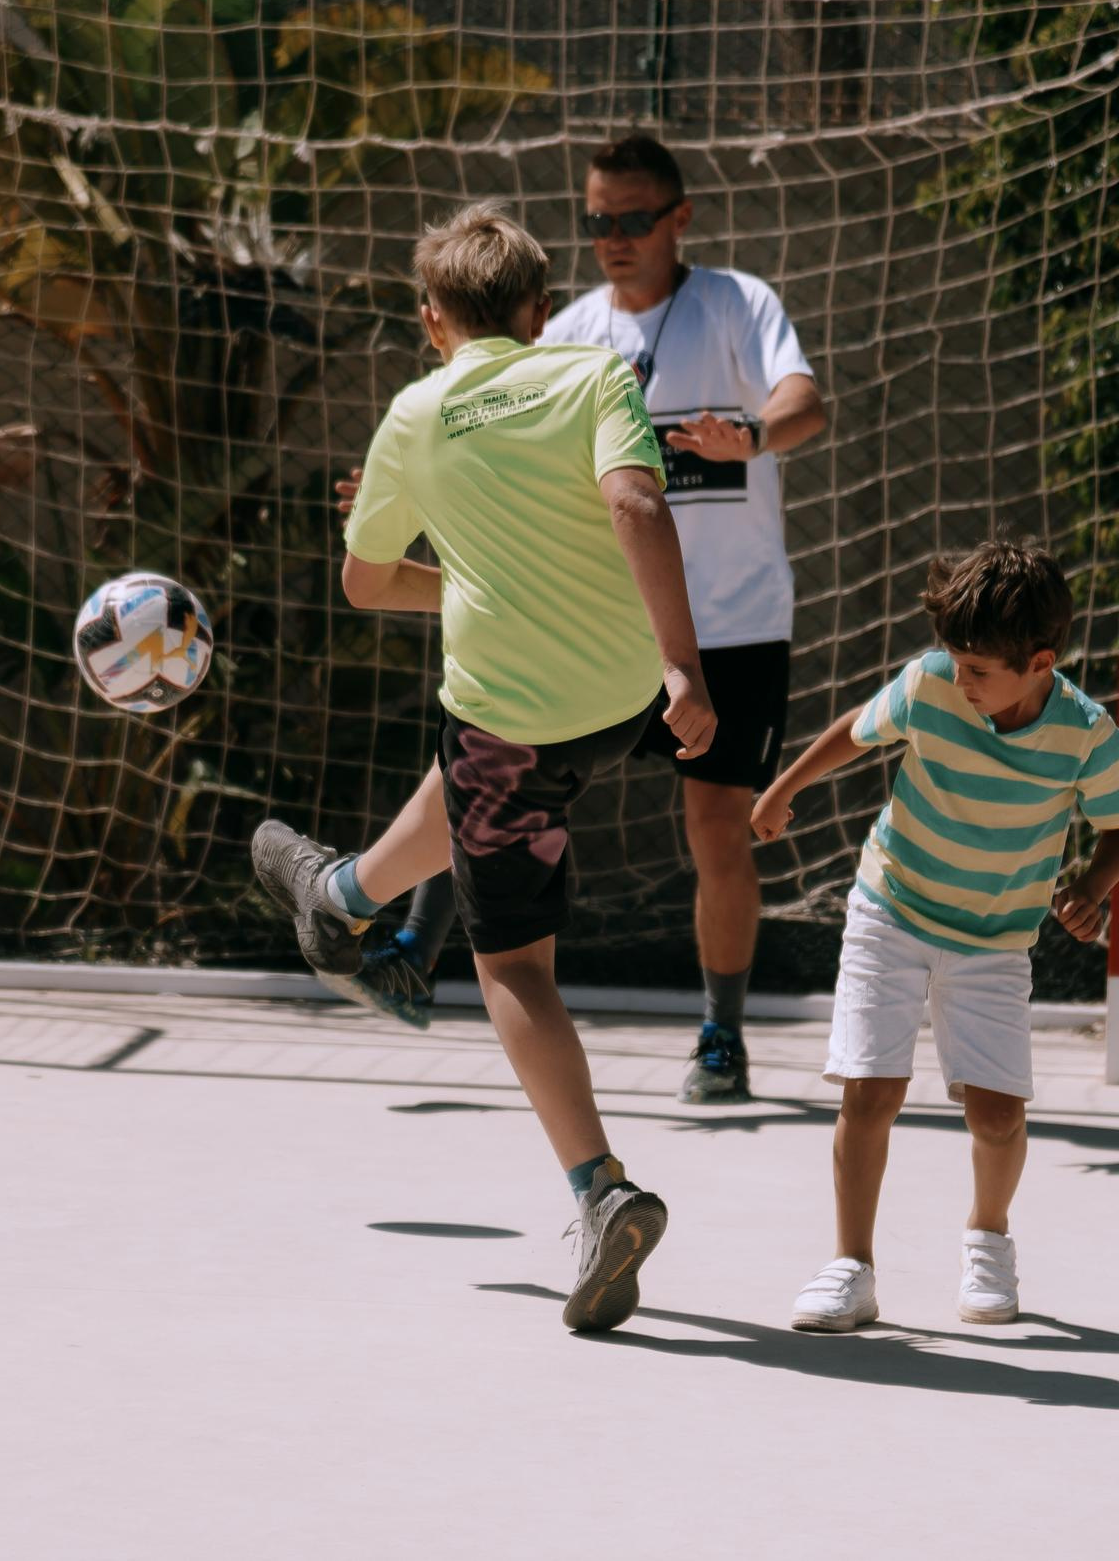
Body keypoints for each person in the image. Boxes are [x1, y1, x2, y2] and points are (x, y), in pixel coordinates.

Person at [250, 201, 717, 1333]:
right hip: (619, 701)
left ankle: (601, 1192)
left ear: (430, 322)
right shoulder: (593, 373)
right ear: (537, 309)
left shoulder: (412, 415)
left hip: (509, 720)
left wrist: (445, 568)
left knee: (514, 969)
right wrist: (682, 669)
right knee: (470, 774)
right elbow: (633, 501)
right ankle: (346, 896)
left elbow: (365, 585)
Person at [353, 134, 829, 1104]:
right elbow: (483, 436)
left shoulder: (737, 304)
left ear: (678, 218)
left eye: (631, 219)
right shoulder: (566, 331)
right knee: (482, 760)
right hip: (598, 623)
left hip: (722, 626)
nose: (612, 238)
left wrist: (753, 437)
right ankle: (412, 941)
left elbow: (804, 403)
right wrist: (409, 485)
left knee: (714, 827)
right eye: (595, 221)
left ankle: (720, 1033)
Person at [750, 540, 1119, 1331]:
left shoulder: (1088, 736)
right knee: (870, 1094)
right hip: (891, 907)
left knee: (997, 1116)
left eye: (979, 671)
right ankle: (851, 1266)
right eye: (956, 662)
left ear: (1039, 662)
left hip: (995, 942)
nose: (961, 682)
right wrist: (784, 786)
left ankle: (988, 1239)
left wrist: (1090, 891)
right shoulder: (930, 683)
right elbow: (855, 731)